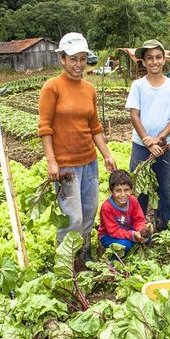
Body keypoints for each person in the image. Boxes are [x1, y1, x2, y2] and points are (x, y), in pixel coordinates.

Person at [38, 32, 117, 256]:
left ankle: (84, 257)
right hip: (66, 167)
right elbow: (45, 128)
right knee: (72, 218)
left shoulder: (89, 89)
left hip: (89, 162)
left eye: (82, 59)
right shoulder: (52, 87)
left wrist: (107, 155)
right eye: (73, 59)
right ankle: (66, 262)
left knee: (89, 212)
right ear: (62, 59)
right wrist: (52, 162)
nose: (78, 64)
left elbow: (95, 127)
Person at [125, 39, 170, 231]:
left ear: (164, 60)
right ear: (143, 62)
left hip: (164, 146)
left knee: (163, 187)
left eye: (158, 57)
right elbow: (134, 115)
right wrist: (146, 140)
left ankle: (163, 225)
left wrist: (159, 139)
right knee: (139, 188)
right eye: (150, 58)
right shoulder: (138, 86)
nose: (154, 62)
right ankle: (139, 226)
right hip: (140, 145)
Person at [98, 170, 150, 255]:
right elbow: (113, 231)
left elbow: (139, 220)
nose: (123, 194)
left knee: (147, 237)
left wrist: (141, 230)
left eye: (126, 190)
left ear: (131, 190)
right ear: (111, 191)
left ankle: (133, 245)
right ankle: (111, 257)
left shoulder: (133, 200)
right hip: (108, 235)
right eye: (118, 190)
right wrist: (132, 235)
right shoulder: (107, 207)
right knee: (125, 245)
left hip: (127, 230)